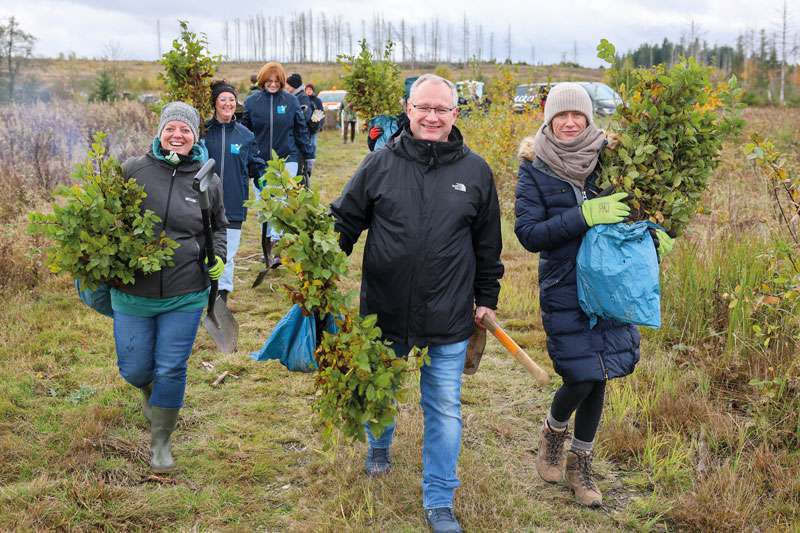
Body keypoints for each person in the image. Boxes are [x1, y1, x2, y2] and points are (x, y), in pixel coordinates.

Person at [331, 73, 504, 533]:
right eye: (423, 107)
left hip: (447, 314)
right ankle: (379, 446)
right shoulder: (379, 164)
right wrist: (322, 267)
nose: (431, 116)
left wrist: (487, 299)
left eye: (441, 109)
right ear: (407, 110)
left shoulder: (476, 172)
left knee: (444, 407)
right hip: (383, 310)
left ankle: (440, 499)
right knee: (381, 391)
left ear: (455, 114)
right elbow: (345, 221)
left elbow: (489, 247)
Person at [514, 82, 673, 507]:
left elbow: (635, 212)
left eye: (577, 115)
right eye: (560, 116)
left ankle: (579, 463)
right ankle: (553, 430)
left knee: (601, 373)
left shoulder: (611, 159)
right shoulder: (535, 166)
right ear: (548, 119)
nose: (569, 122)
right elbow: (529, 234)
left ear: (589, 118)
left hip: (611, 282)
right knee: (581, 373)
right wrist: (582, 215)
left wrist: (655, 233)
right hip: (565, 283)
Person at [114, 102, 228, 472]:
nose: (177, 136)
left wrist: (218, 256)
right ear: (160, 131)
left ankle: (160, 441)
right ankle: (147, 389)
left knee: (172, 367)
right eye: (171, 129)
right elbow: (108, 219)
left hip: (186, 290)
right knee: (134, 369)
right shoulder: (133, 170)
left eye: (185, 130)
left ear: (196, 135)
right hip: (134, 291)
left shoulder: (208, 177)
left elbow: (220, 226)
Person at [243, 62, 315, 260]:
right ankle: (267, 241)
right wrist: (246, 158)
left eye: (276, 81)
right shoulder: (251, 102)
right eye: (269, 81)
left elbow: (301, 130)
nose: (273, 84)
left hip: (286, 158)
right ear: (262, 81)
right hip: (260, 161)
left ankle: (276, 245)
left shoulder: (291, 101)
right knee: (265, 202)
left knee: (281, 200)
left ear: (282, 82)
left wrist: (309, 156)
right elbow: (245, 132)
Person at [203, 80, 265, 302]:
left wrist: (264, 181)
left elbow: (256, 165)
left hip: (233, 203)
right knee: (203, 252)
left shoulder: (245, 135)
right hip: (202, 203)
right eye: (223, 99)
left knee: (227, 256)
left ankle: (221, 298)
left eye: (231, 99)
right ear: (215, 104)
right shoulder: (203, 133)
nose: (228, 104)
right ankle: (202, 291)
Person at [304, 82, 325, 153]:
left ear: (313, 90)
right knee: (306, 142)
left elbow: (321, 112)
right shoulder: (303, 99)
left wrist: (320, 125)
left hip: (314, 124)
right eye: (307, 89)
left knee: (313, 143)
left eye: (310, 89)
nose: (309, 91)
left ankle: (312, 157)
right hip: (305, 124)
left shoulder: (317, 100)